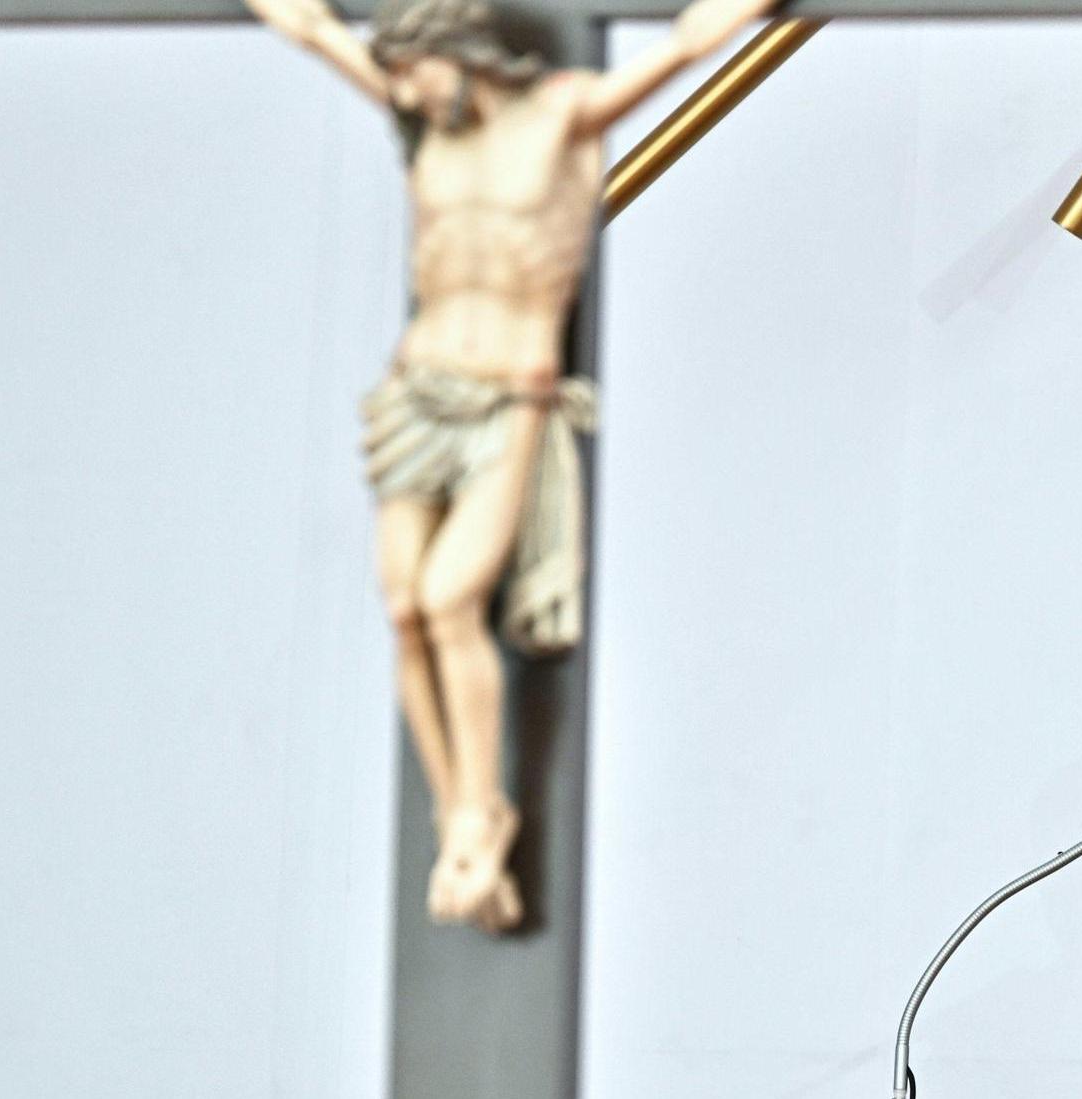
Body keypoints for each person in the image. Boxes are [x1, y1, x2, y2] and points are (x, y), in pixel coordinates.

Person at [245, 0, 777, 931]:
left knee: (452, 599)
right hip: (417, 391)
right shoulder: (423, 120)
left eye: (414, 69)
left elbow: (691, 42)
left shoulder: (563, 114)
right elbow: (316, 31)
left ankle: (480, 807)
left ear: (458, 55)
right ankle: (464, 811)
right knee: (405, 606)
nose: (402, 89)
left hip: (510, 399)